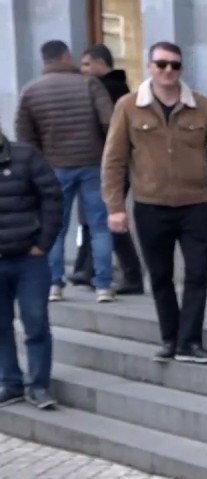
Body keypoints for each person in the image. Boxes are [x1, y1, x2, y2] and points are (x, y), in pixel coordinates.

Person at [102, 41, 207, 364]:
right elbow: (113, 160)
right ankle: (170, 338)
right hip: (150, 206)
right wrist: (115, 207)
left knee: (197, 273)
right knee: (160, 275)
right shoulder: (128, 106)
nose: (168, 70)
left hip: (194, 206)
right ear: (150, 66)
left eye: (175, 65)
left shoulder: (202, 107)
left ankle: (190, 342)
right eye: (162, 64)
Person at [14, 39, 115, 302]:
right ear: (66, 57)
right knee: (100, 225)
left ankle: (54, 284)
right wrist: (108, 154)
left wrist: (39, 163)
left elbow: (24, 136)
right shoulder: (89, 84)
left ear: (44, 60)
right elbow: (110, 122)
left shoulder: (31, 91)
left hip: (54, 167)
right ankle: (103, 285)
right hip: (93, 164)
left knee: (55, 226)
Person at [69, 43, 144, 295]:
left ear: (101, 64)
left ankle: (130, 275)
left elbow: (108, 129)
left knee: (110, 217)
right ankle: (89, 269)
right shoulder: (113, 88)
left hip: (111, 164)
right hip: (109, 163)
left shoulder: (107, 90)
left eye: (87, 64)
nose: (83, 70)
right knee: (101, 217)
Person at [0, 129, 63, 410]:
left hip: (29, 259)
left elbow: (52, 197)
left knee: (35, 321)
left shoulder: (26, 156)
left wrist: (43, 242)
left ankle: (38, 385)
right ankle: (10, 383)